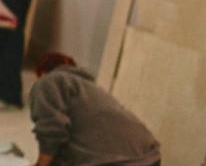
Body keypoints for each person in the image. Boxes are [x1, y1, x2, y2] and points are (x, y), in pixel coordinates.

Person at [28, 53, 160, 166]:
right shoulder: (90, 89)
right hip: (151, 157)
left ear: (42, 72)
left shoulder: (49, 81)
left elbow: (51, 132)